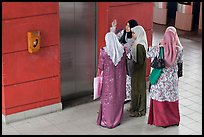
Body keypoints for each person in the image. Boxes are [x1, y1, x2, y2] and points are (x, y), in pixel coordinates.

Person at [146, 26, 183, 128]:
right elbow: (180, 63)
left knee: (160, 99)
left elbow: (148, 53)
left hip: (160, 80)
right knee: (171, 99)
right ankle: (174, 120)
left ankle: (162, 122)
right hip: (172, 81)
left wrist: (159, 45)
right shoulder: (179, 50)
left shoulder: (159, 49)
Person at [96, 32, 127, 129]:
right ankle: (117, 119)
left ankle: (107, 121)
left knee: (108, 99)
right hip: (121, 80)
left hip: (108, 81)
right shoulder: (123, 51)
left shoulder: (104, 52)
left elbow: (101, 67)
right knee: (118, 97)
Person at [110, 19, 138, 102]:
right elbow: (114, 38)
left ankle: (128, 95)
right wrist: (113, 27)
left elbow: (130, 48)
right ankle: (123, 94)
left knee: (128, 77)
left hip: (129, 60)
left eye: (129, 26)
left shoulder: (134, 37)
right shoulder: (123, 33)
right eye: (126, 25)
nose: (127, 27)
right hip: (121, 59)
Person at [126, 25, 148, 117]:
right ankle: (135, 107)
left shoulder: (139, 45)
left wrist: (132, 66)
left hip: (138, 71)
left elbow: (139, 61)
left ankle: (140, 110)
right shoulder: (139, 42)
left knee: (139, 90)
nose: (133, 34)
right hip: (138, 71)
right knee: (136, 89)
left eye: (134, 33)